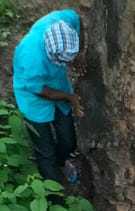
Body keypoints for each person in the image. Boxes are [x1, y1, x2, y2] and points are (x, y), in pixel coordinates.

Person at [13, 9, 85, 185]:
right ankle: (54, 197)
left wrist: (80, 51)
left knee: (68, 140)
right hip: (34, 98)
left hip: (58, 84)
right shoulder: (31, 57)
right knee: (45, 152)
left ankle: (61, 162)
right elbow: (40, 90)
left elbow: (79, 21)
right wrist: (70, 98)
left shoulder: (63, 21)